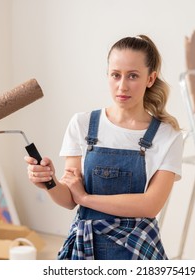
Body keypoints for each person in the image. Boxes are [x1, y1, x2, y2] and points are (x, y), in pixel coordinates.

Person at [25, 34, 184, 260]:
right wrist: (48, 182)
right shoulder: (82, 124)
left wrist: (86, 199)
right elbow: (70, 198)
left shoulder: (167, 135)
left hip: (136, 250)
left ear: (151, 78)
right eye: (115, 75)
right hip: (85, 247)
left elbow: (150, 205)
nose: (122, 86)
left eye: (133, 76)